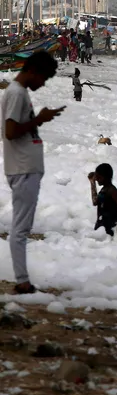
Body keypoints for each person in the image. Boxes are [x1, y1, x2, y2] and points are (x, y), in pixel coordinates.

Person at [1, 52, 63, 295]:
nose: (43, 83)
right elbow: (11, 131)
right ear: (34, 71)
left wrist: (39, 119)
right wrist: (39, 119)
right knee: (20, 228)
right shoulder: (16, 93)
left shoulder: (19, 92)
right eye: (44, 78)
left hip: (26, 167)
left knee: (21, 227)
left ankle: (22, 279)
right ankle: (22, 282)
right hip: (22, 168)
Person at [88, 163, 117, 241]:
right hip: (102, 225)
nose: (96, 179)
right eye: (96, 177)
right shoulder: (104, 189)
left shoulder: (112, 190)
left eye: (99, 177)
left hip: (111, 227)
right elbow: (95, 202)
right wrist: (92, 183)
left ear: (106, 177)